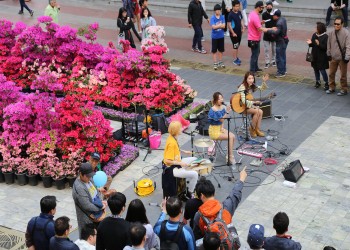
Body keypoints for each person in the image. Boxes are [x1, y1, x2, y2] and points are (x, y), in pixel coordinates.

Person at [192, 167, 247, 240]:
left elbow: (197, 238)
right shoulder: (226, 207)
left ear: (201, 196)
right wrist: (241, 179)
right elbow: (235, 195)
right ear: (214, 193)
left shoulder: (198, 216)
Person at [162, 121, 198, 197]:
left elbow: (174, 150)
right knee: (195, 174)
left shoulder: (172, 137)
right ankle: (190, 193)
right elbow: (167, 160)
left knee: (195, 159)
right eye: (180, 128)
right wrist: (181, 163)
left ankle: (189, 179)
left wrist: (182, 151)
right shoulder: (171, 143)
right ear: (176, 131)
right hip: (172, 169)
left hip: (177, 163)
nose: (182, 129)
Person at [72, 162, 107, 238]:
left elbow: (95, 191)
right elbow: (87, 205)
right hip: (88, 218)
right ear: (81, 174)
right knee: (90, 238)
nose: (89, 178)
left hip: (96, 213)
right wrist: (101, 207)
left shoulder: (89, 178)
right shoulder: (79, 187)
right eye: (87, 176)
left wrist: (100, 201)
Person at [237, 72, 268, 138]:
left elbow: (261, 89)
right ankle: (252, 129)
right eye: (249, 78)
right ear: (246, 79)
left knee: (261, 111)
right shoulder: (242, 87)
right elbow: (243, 101)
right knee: (257, 111)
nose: (251, 80)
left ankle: (257, 129)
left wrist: (264, 81)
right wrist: (254, 102)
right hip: (241, 107)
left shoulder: (252, 85)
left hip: (249, 105)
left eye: (252, 78)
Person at [208, 92, 235, 164]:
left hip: (219, 128)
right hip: (214, 131)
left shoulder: (222, 107)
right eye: (219, 99)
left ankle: (229, 155)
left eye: (222, 98)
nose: (221, 100)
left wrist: (222, 128)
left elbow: (222, 122)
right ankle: (230, 157)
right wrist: (227, 112)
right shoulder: (213, 110)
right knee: (230, 137)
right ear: (215, 100)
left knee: (233, 136)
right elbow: (221, 119)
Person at [326, 16, 350, 96]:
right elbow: (328, 44)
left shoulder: (346, 33)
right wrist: (328, 53)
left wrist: (347, 56)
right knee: (331, 73)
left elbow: (348, 46)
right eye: (335, 24)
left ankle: (344, 89)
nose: (336, 25)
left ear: (342, 24)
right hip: (333, 57)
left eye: (338, 24)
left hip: (342, 58)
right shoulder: (331, 33)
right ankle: (331, 87)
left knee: (343, 75)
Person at [247, 1, 270, 75]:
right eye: (262, 8)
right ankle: (252, 71)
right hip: (254, 39)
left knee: (256, 53)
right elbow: (259, 28)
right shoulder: (255, 16)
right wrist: (268, 29)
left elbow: (254, 24)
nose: (262, 9)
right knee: (254, 55)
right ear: (258, 7)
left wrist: (260, 22)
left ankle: (256, 68)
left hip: (252, 37)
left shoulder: (251, 13)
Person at [306, 22, 329, 89]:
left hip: (322, 57)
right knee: (315, 69)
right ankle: (317, 81)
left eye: (316, 28)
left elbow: (325, 48)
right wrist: (310, 43)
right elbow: (312, 45)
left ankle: (326, 83)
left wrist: (319, 44)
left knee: (322, 70)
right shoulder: (314, 35)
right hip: (314, 56)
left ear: (320, 29)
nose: (315, 28)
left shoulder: (325, 37)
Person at [267, 9, 288, 78]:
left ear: (276, 16)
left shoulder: (279, 23)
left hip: (280, 41)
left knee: (279, 57)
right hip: (284, 40)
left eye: (273, 15)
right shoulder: (283, 19)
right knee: (283, 56)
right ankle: (284, 70)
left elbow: (276, 32)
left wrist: (269, 30)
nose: (272, 16)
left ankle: (281, 72)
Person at [228, 0, 244, 66]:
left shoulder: (239, 12)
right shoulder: (230, 14)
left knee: (237, 46)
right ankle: (234, 59)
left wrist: (243, 27)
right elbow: (229, 24)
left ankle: (236, 57)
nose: (237, 7)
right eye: (236, 6)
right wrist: (233, 33)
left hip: (239, 32)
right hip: (234, 34)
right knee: (235, 46)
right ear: (233, 6)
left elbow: (241, 20)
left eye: (238, 6)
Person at [211, 4, 226, 70]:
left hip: (221, 36)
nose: (218, 11)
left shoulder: (222, 17)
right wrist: (220, 25)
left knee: (221, 50)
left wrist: (218, 26)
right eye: (217, 10)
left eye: (219, 10)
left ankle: (220, 61)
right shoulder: (212, 18)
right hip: (214, 37)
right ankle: (215, 63)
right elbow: (213, 27)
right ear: (215, 11)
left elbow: (224, 26)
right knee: (214, 51)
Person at [262, 1, 276, 69]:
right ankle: (267, 62)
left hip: (273, 34)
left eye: (270, 6)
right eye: (268, 6)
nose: (269, 7)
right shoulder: (264, 14)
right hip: (266, 34)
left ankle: (273, 60)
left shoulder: (274, 14)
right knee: (266, 49)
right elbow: (262, 23)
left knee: (274, 49)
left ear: (272, 7)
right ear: (266, 7)